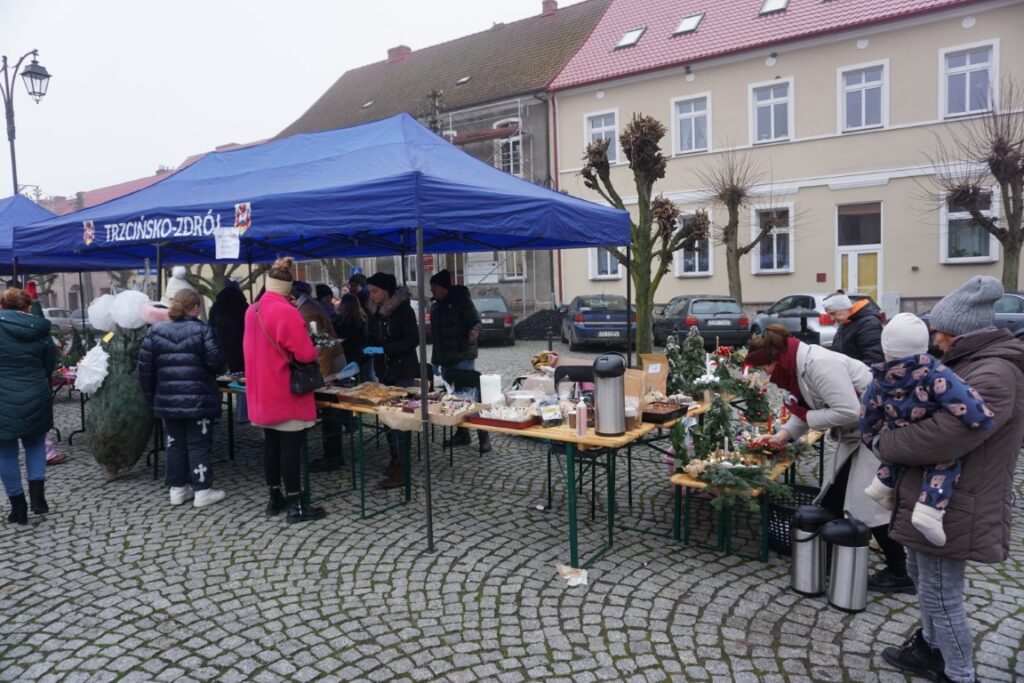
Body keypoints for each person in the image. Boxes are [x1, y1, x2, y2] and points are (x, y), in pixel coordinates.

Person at [876, 276, 1024, 683]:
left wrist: (885, 442)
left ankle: (958, 673)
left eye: (937, 332)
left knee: (942, 594)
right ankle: (930, 649)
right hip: (936, 497)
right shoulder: (968, 364)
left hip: (957, 501)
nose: (933, 341)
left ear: (955, 331)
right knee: (924, 580)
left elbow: (941, 437)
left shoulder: (993, 373)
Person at [745, 324, 911, 593]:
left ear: (776, 359)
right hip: (859, 434)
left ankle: (899, 571)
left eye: (764, 367)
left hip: (876, 432)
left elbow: (848, 411)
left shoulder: (819, 365)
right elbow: (806, 407)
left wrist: (810, 420)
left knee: (868, 501)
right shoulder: (799, 366)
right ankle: (827, 558)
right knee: (835, 495)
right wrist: (781, 436)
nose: (765, 374)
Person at [859, 313, 994, 546]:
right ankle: (929, 512)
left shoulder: (878, 379)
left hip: (897, 436)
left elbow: (867, 415)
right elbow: (962, 397)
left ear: (885, 347)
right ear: (924, 346)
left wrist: (870, 440)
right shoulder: (936, 374)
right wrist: (981, 419)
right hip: (926, 438)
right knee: (947, 463)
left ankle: (881, 484)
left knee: (894, 449)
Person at [243, 257, 327, 523]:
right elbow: (304, 354)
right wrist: (315, 349)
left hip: (260, 391)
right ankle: (296, 506)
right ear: (289, 288)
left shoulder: (251, 310)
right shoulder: (287, 312)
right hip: (284, 389)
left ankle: (274, 498)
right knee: (290, 447)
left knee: (271, 445)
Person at [138, 289, 226, 508]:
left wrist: (152, 400)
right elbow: (217, 363)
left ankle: (177, 490)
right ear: (195, 308)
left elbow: (144, 371)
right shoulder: (203, 330)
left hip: (168, 402)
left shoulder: (155, 332)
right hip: (199, 400)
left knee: (174, 445)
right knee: (199, 444)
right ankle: (202, 490)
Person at [0, 287, 57, 524]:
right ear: (27, 307)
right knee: (35, 445)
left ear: (2, 306)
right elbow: (50, 362)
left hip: (2, 396)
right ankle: (38, 498)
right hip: (36, 390)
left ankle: (18, 506)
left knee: (5, 453)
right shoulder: (40, 330)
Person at [365, 272, 419, 489]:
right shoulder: (374, 313)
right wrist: (368, 349)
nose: (372, 296)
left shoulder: (404, 311)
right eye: (370, 292)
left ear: (387, 291)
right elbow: (371, 338)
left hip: (403, 372)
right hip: (384, 373)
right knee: (388, 419)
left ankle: (402, 466)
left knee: (400, 419)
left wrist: (384, 349)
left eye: (375, 291)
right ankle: (395, 457)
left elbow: (412, 340)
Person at [429, 269, 491, 454]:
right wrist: (435, 362)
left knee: (470, 397)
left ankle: (484, 436)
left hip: (462, 357)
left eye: (434, 287)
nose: (431, 291)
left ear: (442, 287)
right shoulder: (436, 306)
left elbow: (476, 322)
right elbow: (437, 338)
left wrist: (475, 332)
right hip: (446, 359)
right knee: (453, 400)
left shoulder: (461, 300)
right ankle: (462, 434)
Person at [294, 280, 346, 472]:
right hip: (330, 364)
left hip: (327, 368)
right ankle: (334, 454)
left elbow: (321, 349)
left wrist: (324, 381)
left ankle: (332, 456)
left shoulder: (307, 313)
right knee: (331, 412)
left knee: (330, 411)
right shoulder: (308, 307)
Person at [208, 280, 249, 422]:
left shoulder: (216, 307)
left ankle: (215, 415)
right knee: (243, 382)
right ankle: (243, 415)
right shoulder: (244, 306)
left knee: (217, 382)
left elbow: (211, 327)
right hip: (241, 348)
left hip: (221, 347)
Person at [825, 290, 884, 365]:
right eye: (829, 315)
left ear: (844, 307)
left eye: (833, 313)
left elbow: (875, 360)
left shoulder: (868, 324)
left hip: (859, 375)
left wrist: (853, 374)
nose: (832, 318)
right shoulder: (847, 321)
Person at [335, 293, 369, 381]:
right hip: (363, 351)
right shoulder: (363, 317)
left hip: (348, 352)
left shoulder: (341, 320)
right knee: (367, 375)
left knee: (350, 377)